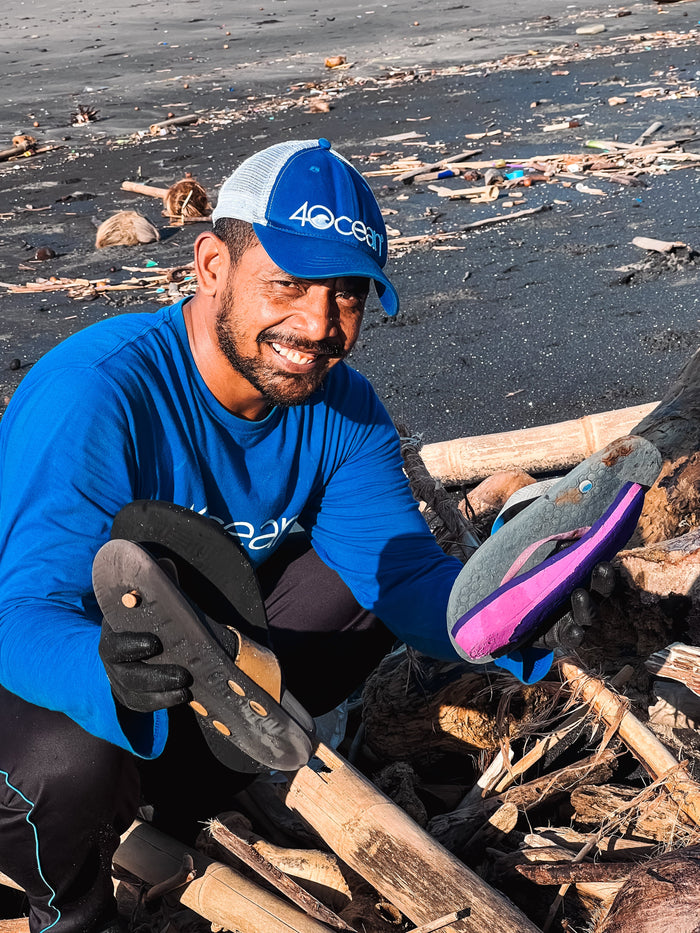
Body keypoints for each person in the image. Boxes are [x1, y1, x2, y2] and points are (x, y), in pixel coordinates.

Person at [0, 138, 467, 933]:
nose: (317, 324)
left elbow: (404, 575)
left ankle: (182, 804)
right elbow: (18, 615)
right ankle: (68, 910)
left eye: (347, 294)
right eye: (287, 282)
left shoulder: (342, 409)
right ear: (211, 265)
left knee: (359, 586)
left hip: (202, 668)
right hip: (48, 675)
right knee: (61, 761)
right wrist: (103, 670)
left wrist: (504, 611)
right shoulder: (98, 395)